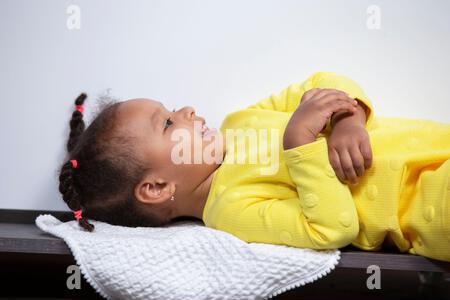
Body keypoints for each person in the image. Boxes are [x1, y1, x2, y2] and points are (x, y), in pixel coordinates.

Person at [58, 72, 450, 262]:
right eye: (167, 123)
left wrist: (349, 119)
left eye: (172, 107)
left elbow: (319, 83)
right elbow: (331, 227)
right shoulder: (229, 210)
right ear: (157, 187)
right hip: (423, 207)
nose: (188, 110)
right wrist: (299, 143)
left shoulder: (238, 122)